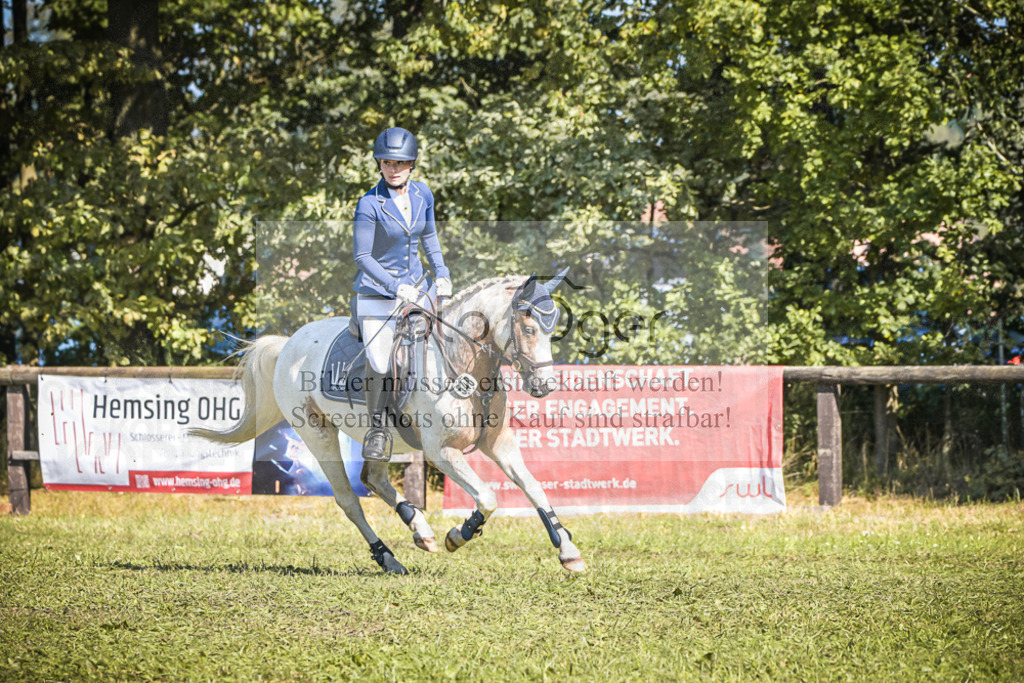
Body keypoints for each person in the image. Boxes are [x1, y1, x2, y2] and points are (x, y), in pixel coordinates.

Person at [353, 127, 452, 461]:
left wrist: (442, 272)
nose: (393, 169)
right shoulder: (369, 204)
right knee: (381, 360)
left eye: (400, 163)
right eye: (386, 163)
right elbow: (362, 257)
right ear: (379, 164)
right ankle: (377, 429)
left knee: (448, 335)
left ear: (412, 164)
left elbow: (430, 236)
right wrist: (396, 287)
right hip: (377, 293)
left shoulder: (423, 194)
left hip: (418, 284)